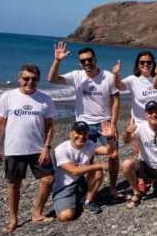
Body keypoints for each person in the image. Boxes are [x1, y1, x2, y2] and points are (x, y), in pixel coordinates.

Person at [47, 42, 122, 200]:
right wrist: (57, 61)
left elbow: (116, 101)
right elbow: (52, 79)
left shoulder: (108, 76)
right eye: (83, 61)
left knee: (113, 155)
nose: (87, 63)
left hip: (105, 123)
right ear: (80, 63)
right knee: (88, 158)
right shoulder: (77, 76)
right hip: (84, 124)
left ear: (95, 60)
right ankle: (88, 191)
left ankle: (113, 187)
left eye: (89, 59)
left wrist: (114, 124)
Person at [0, 63, 56, 233]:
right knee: (14, 184)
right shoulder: (7, 97)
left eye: (34, 79)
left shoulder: (45, 99)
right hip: (14, 149)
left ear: (38, 80)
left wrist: (46, 147)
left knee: (49, 179)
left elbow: (49, 126)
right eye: (26, 78)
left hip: (38, 149)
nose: (30, 82)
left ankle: (37, 213)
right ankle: (13, 219)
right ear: (19, 78)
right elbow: (0, 124)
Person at [53, 121, 116, 221]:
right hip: (64, 186)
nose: (81, 136)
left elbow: (109, 151)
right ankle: (74, 200)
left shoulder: (89, 144)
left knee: (97, 171)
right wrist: (101, 165)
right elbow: (74, 171)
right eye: (78, 133)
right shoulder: (61, 149)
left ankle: (88, 201)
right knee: (65, 216)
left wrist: (109, 138)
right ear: (71, 134)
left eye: (84, 133)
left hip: (80, 182)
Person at [113, 51, 157, 124]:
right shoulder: (132, 79)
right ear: (138, 64)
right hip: (140, 123)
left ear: (153, 64)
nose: (145, 64)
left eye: (149, 62)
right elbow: (119, 86)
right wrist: (116, 74)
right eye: (142, 62)